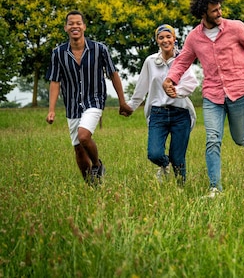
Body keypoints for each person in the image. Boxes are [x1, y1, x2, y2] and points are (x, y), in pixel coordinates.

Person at [163, 0, 244, 198]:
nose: (219, 12)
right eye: (214, 10)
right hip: (212, 95)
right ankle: (215, 188)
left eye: (220, 8)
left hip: (238, 90)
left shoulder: (236, 28)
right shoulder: (194, 38)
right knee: (212, 139)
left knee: (239, 136)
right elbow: (182, 61)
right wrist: (170, 80)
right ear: (203, 14)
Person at [46, 10, 132, 185]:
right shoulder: (58, 53)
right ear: (66, 28)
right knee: (78, 149)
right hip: (72, 105)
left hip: (94, 100)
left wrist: (122, 101)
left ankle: (97, 165)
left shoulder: (100, 49)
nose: (75, 26)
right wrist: (51, 110)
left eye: (78, 23)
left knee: (84, 136)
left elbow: (113, 74)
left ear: (84, 26)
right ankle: (91, 186)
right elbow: (55, 81)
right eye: (71, 23)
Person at [128, 24, 198, 186]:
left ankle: (181, 188)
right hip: (158, 114)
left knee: (178, 157)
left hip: (180, 114)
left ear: (174, 39)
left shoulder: (183, 59)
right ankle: (164, 164)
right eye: (161, 37)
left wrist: (177, 91)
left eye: (168, 37)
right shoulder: (150, 61)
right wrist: (131, 106)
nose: (165, 40)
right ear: (157, 41)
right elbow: (141, 87)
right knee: (154, 154)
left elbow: (191, 82)